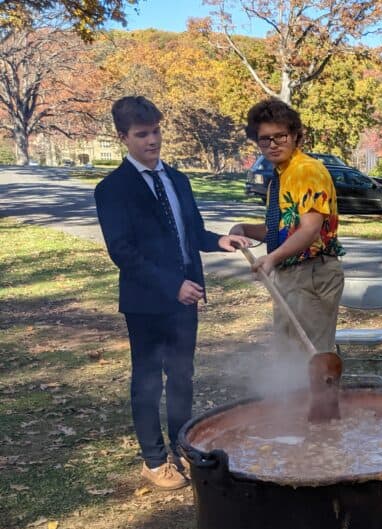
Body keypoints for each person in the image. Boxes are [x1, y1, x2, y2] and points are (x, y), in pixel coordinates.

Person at [94, 96, 250, 490]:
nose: (152, 140)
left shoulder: (177, 179)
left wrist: (221, 241)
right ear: (123, 137)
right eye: (142, 134)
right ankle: (153, 460)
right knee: (147, 380)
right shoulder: (112, 189)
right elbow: (123, 252)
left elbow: (193, 233)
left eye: (156, 131)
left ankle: (183, 445)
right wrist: (171, 285)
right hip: (147, 303)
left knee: (182, 375)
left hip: (187, 299)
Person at [229, 99, 345, 357]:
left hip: (312, 273)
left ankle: (318, 399)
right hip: (289, 274)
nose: (272, 144)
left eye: (280, 136)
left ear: (295, 136)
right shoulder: (281, 176)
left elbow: (309, 230)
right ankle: (291, 399)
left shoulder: (307, 171)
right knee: (288, 354)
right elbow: (282, 230)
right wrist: (244, 229)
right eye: (264, 139)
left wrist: (271, 258)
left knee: (310, 358)